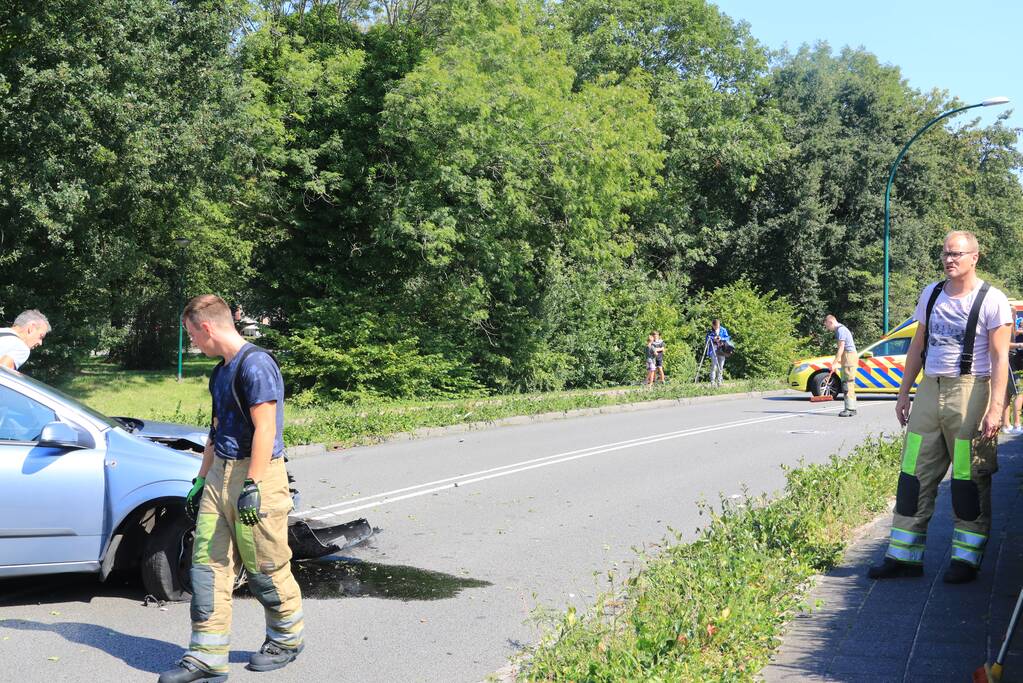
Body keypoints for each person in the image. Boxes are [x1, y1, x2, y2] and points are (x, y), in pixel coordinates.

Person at [160, 295, 304, 683]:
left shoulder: (256, 365)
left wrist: (252, 483)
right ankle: (207, 656)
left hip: (257, 474)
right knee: (207, 567)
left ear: (206, 327)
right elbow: (216, 430)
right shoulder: (220, 371)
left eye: (191, 334)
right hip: (219, 475)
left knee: (265, 566)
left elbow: (266, 428)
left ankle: (286, 638)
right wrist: (200, 480)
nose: (192, 342)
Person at [868, 231, 1011, 585]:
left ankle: (966, 560)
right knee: (912, 473)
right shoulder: (931, 293)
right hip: (929, 389)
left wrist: (995, 408)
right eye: (945, 253)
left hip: (970, 390)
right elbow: (918, 345)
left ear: (975, 257)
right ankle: (903, 556)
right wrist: (904, 393)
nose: (949, 259)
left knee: (966, 476)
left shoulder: (993, 300)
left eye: (956, 254)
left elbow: (1000, 359)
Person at [823, 315, 858, 417]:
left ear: (831, 322)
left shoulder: (840, 330)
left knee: (847, 383)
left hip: (849, 357)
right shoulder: (841, 329)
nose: (827, 328)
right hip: (848, 357)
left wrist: (834, 364)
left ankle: (849, 409)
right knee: (848, 383)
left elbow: (841, 348)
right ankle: (852, 408)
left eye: (827, 326)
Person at [1004, 317, 1023, 433]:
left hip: (1014, 361)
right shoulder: (1009, 327)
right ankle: (1017, 424)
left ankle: (1006, 424)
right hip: (1012, 361)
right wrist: (1020, 345)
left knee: (1007, 394)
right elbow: (1005, 343)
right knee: (1019, 393)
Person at [705, 320, 731, 387]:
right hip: (713, 350)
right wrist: (713, 338)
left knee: (721, 366)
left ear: (719, 325)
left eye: (717, 326)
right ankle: (712, 382)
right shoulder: (710, 331)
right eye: (715, 327)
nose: (716, 328)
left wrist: (721, 338)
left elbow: (728, 338)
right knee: (714, 366)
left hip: (722, 350)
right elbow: (707, 339)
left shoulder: (723, 330)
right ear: (713, 325)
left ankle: (719, 382)